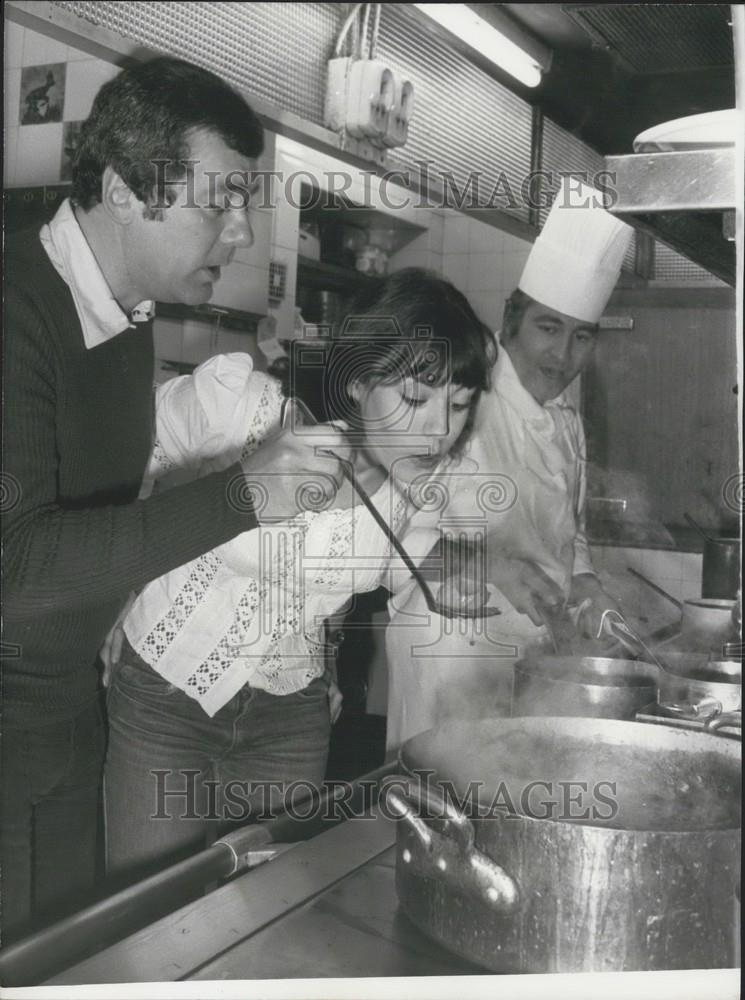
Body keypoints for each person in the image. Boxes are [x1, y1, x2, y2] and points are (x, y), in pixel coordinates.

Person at [1, 56, 348, 943]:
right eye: (218, 201)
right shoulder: (15, 311)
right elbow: (19, 567)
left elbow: (110, 516)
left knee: (78, 959)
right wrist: (240, 495)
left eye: (247, 203)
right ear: (123, 190)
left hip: (70, 712)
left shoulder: (125, 316)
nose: (238, 233)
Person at [102, 268, 497, 884]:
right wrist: (111, 598)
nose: (439, 430)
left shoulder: (411, 485)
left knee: (262, 909)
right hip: (166, 697)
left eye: (460, 404)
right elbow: (115, 462)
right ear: (360, 383)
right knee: (148, 913)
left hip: (291, 718)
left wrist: (455, 571)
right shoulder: (247, 410)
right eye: (416, 400)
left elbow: (404, 553)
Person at [385, 178, 634, 748]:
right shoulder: (459, 387)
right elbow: (387, 531)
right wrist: (492, 565)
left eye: (582, 338)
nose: (563, 355)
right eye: (549, 328)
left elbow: (570, 540)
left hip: (532, 654)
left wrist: (590, 590)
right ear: (513, 317)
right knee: (436, 802)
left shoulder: (565, 419)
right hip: (449, 645)